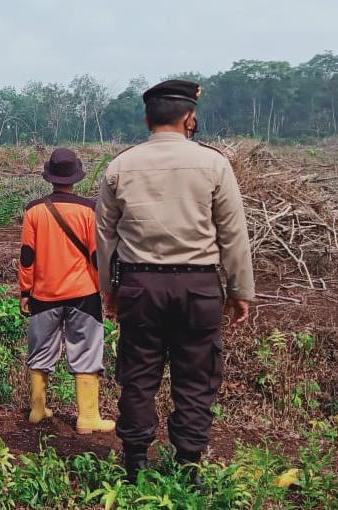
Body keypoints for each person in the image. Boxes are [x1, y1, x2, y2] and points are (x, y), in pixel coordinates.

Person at [95, 80, 255, 484]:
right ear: (189, 118)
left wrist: (108, 290)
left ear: (147, 119)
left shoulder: (120, 166)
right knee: (196, 378)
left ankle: (135, 466)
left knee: (138, 377)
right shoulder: (214, 164)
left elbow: (105, 237)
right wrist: (239, 291)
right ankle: (189, 467)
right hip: (198, 287)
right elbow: (232, 234)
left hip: (139, 286)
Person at [19, 148, 115, 434]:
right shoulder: (89, 210)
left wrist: (25, 291)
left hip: (43, 294)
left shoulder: (34, 210)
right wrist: (105, 289)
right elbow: (99, 255)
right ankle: (87, 418)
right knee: (85, 351)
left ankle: (38, 410)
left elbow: (27, 256)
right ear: (76, 176)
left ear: (50, 176)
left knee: (40, 351)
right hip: (83, 294)